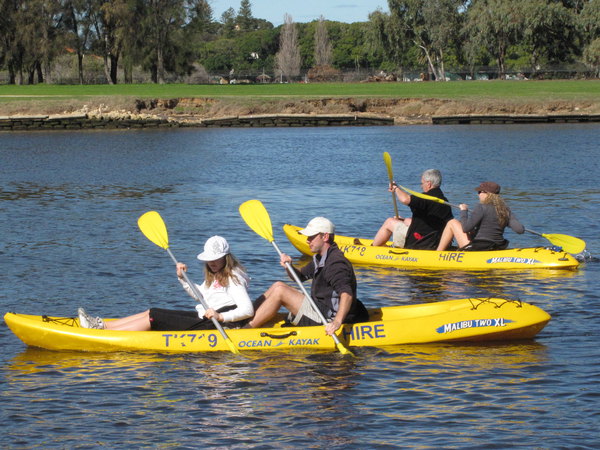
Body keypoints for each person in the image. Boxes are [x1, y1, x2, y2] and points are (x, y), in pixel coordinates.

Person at [78, 236, 254, 330]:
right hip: (203, 318)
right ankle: (101, 325)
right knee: (152, 311)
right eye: (209, 259)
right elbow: (200, 297)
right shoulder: (215, 274)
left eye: (216, 259)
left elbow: (247, 310)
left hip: (214, 325)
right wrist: (183, 279)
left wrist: (221, 317)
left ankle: (107, 334)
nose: (212, 263)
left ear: (226, 257)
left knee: (155, 318)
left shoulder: (233, 277)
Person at [245, 217, 369, 335]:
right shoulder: (320, 258)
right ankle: (245, 319)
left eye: (312, 237)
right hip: (320, 308)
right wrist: (289, 266)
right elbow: (298, 277)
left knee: (280, 291)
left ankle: (245, 330)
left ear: (325, 236)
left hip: (327, 318)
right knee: (278, 285)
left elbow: (346, 294)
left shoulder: (335, 263)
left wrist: (337, 322)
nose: (308, 240)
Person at [372, 169, 453, 249]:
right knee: (407, 220)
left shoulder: (425, 198)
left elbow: (405, 199)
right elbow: (430, 221)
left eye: (422, 183)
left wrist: (396, 188)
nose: (421, 186)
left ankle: (372, 249)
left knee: (389, 222)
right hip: (435, 242)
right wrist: (403, 220)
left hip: (418, 242)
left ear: (429, 184)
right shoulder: (445, 201)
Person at [436, 181, 525, 251]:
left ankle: (437, 254)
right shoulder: (505, 210)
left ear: (486, 193)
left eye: (479, 192)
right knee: (469, 229)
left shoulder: (481, 207)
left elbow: (466, 228)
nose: (478, 194)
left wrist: (464, 211)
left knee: (452, 222)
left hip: (480, 248)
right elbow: (520, 230)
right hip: (497, 246)